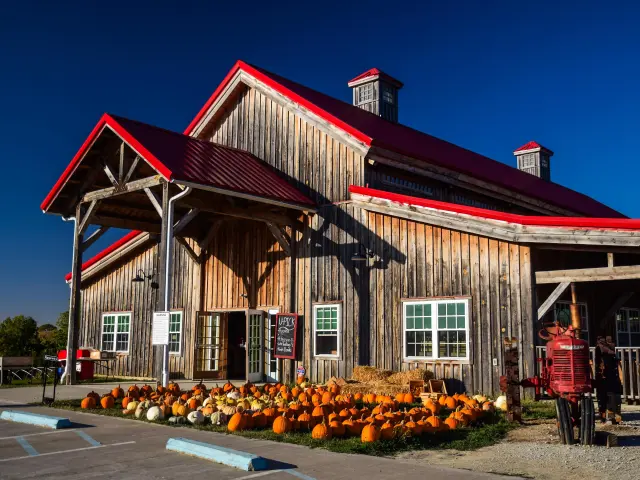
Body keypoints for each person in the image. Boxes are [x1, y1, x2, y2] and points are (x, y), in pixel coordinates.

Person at [594, 335, 623, 424]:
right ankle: (612, 416)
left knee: (605, 397)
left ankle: (607, 417)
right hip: (609, 376)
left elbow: (598, 364)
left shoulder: (599, 349)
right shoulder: (607, 351)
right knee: (611, 396)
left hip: (605, 377)